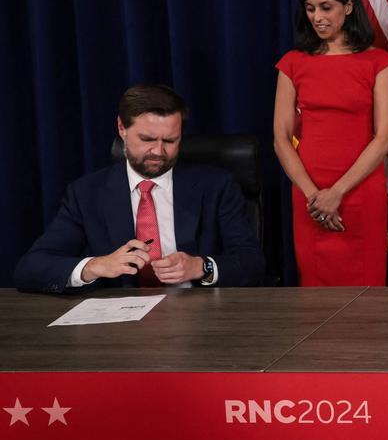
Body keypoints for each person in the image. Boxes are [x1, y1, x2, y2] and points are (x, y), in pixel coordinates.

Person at [14, 84, 264, 293]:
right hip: (119, 327)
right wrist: (95, 266)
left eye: (169, 140)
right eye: (146, 139)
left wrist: (202, 267)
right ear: (122, 128)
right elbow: (31, 268)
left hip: (199, 318)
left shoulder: (216, 185)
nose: (158, 151)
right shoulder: (86, 193)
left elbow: (252, 263)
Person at [274, 0, 388, 286]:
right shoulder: (292, 63)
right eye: (310, 8)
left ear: (348, 7)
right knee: (314, 291)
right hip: (309, 192)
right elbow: (281, 139)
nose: (317, 17)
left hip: (360, 190)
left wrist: (337, 193)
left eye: (325, 7)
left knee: (366, 291)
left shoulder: (378, 63)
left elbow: (384, 138)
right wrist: (315, 196)